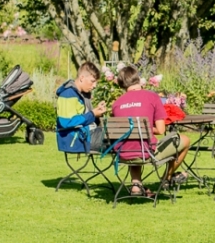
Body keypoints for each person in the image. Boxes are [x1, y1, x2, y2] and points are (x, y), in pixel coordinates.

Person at [110, 65, 191, 195]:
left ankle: (136, 185)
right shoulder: (151, 96)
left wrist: (138, 128)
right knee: (185, 140)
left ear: (121, 84)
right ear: (138, 79)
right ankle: (167, 178)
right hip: (147, 153)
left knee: (133, 141)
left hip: (123, 152)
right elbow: (160, 129)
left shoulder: (117, 103)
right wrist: (144, 128)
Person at [55, 62, 108, 153]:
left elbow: (81, 117)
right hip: (76, 140)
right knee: (120, 138)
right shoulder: (68, 94)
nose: (95, 85)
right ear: (82, 78)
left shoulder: (78, 94)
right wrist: (92, 114)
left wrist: (95, 113)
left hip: (82, 136)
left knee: (119, 136)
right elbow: (67, 122)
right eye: (92, 81)